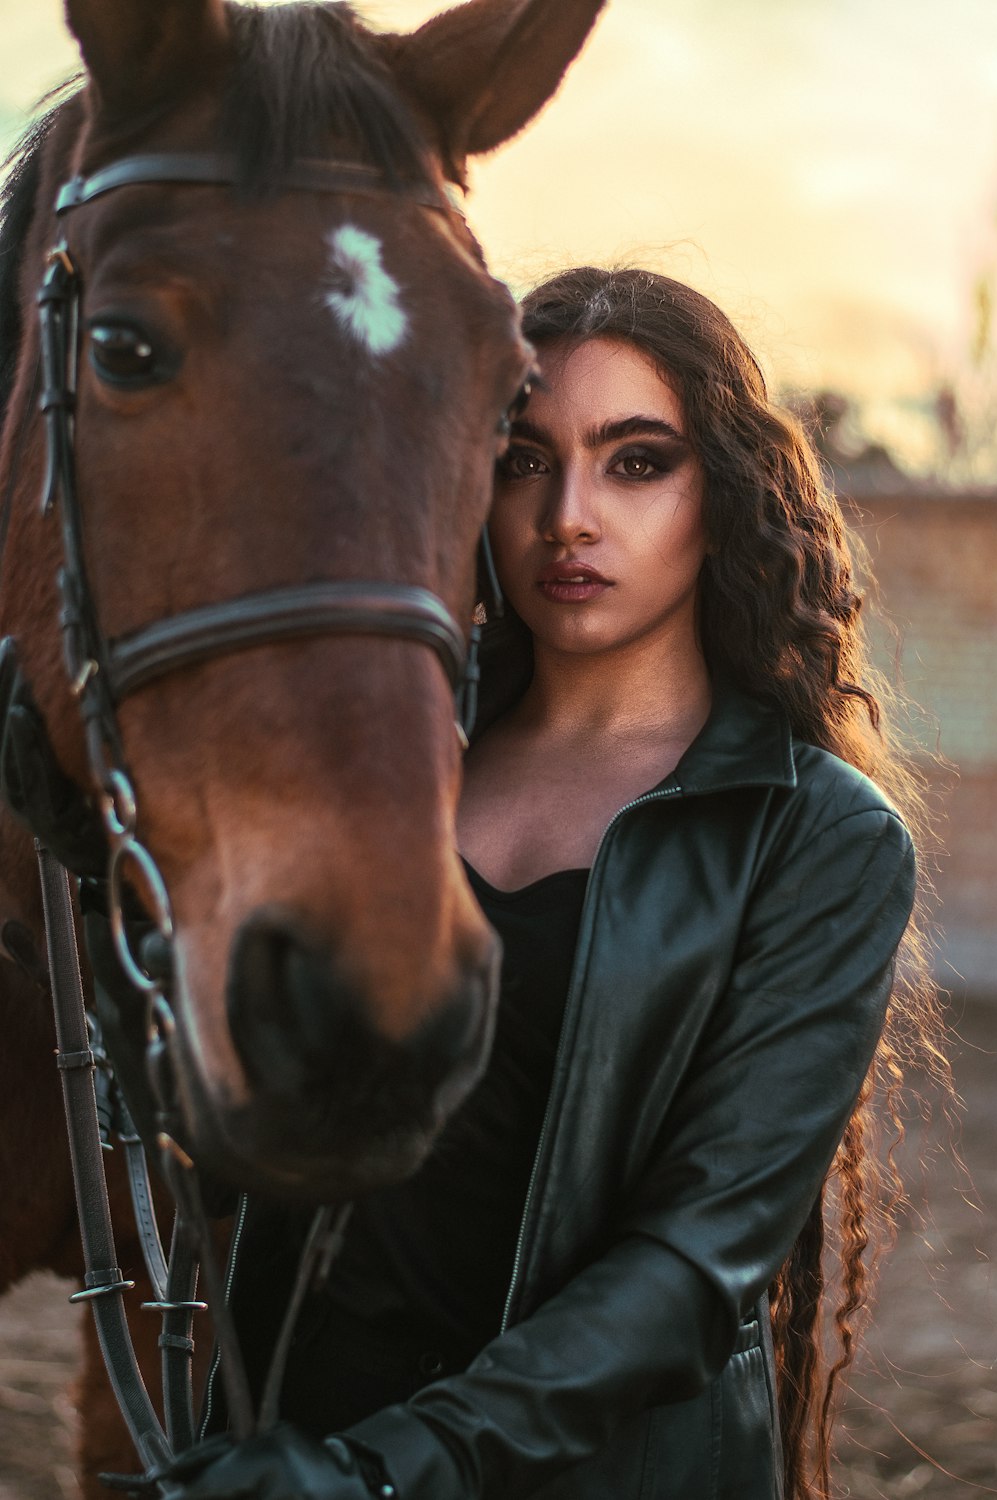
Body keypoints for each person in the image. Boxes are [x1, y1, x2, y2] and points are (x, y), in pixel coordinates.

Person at [177, 268, 948, 1500]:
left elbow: (701, 1259)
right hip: (294, 1441)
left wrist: (397, 1471)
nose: (568, 516)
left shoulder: (816, 838)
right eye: (524, 460)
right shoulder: (385, 772)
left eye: (635, 461)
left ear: (724, 494)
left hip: (598, 1467)